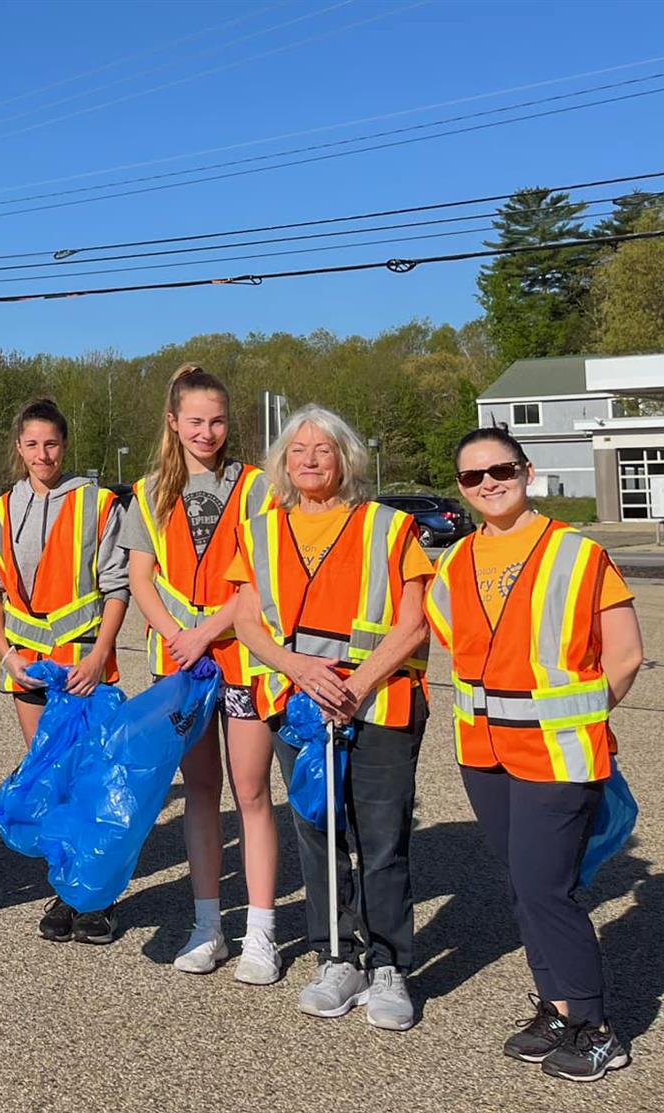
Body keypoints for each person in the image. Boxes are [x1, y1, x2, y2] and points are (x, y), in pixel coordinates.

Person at [425, 428, 642, 1082]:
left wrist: (580, 721)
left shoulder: (578, 553)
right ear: (461, 488)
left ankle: (597, 1027)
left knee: (548, 888)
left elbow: (625, 655)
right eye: (472, 476)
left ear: (527, 470)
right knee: (523, 884)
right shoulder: (455, 562)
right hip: (484, 750)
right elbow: (465, 649)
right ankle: (556, 1006)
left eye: (500, 468)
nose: (488, 482)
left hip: (558, 754)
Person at [228, 404, 433, 1032]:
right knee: (316, 829)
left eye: (323, 449)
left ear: (346, 458)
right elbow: (244, 620)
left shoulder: (389, 527)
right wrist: (297, 669)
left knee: (380, 835)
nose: (310, 459)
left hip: (380, 701)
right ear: (282, 464)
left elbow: (415, 621)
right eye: (298, 450)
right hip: (299, 705)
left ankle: (389, 965)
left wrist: (359, 683)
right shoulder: (261, 529)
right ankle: (335, 955)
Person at [121, 364, 282, 982]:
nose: (207, 432)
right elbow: (140, 578)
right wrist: (176, 637)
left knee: (251, 792)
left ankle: (261, 932)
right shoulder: (149, 491)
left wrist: (206, 631)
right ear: (174, 422)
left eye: (216, 420)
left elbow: (263, 577)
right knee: (203, 796)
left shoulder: (257, 488)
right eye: (195, 421)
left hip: (242, 660)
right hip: (181, 670)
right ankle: (208, 924)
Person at [0, 398, 129, 945]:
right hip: (30, 669)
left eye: (52, 444)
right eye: (33, 444)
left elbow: (117, 588)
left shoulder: (99, 504)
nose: (43, 454)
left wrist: (97, 655)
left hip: (84, 665)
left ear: (66, 446)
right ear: (19, 448)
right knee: (51, 780)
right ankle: (65, 890)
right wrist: (7, 654)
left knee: (90, 781)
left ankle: (98, 899)